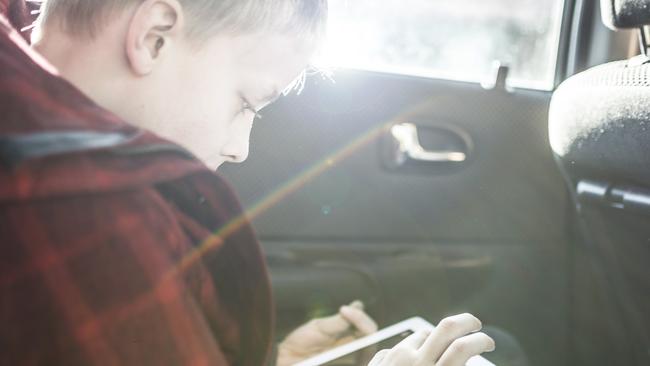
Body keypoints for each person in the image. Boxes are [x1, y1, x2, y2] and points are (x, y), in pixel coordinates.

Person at [0, 0, 495, 365]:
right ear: (154, 35)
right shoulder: (94, 221)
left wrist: (273, 360)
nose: (241, 148)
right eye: (246, 103)